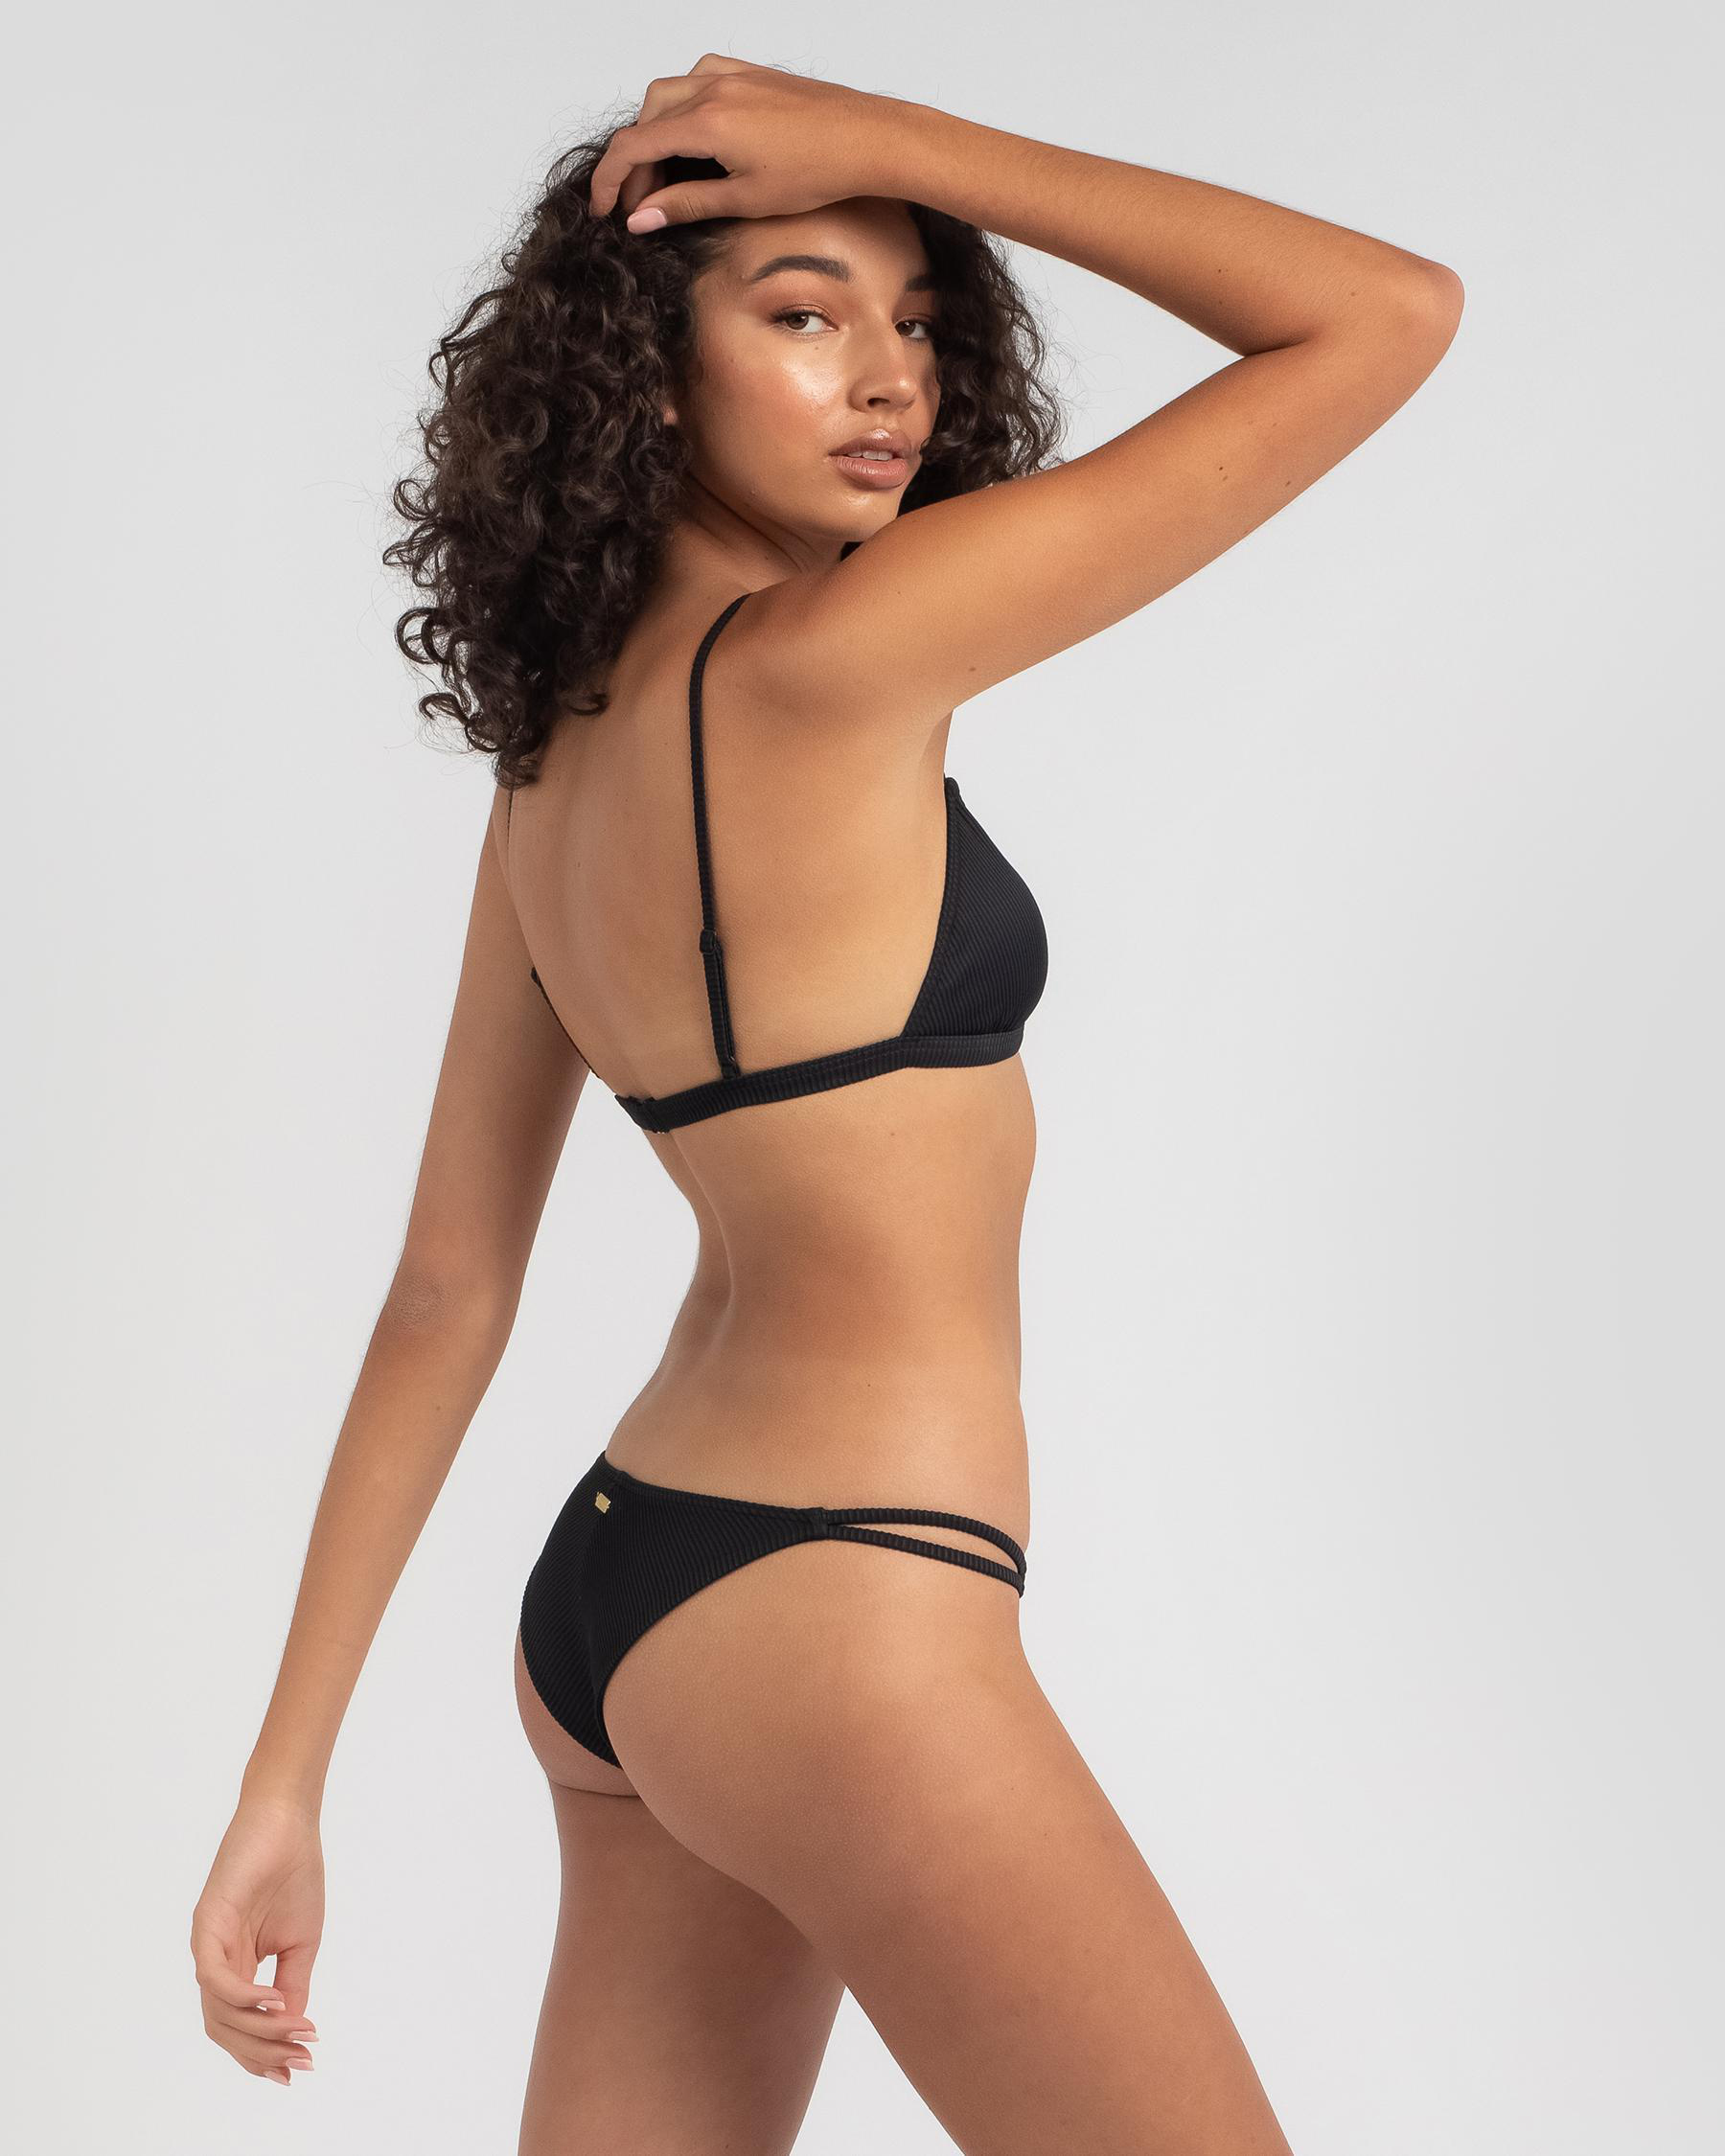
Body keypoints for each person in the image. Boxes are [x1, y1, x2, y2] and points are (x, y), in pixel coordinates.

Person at [191, 56, 1461, 2153]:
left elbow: (446, 1285)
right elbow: (1386, 313)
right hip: (838, 1601)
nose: (889, 379)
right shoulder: (834, 658)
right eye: (802, 311)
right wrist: (905, 142)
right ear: (641, 371)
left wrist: (282, 1778)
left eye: (920, 322)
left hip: (626, 1607)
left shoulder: (548, 767)